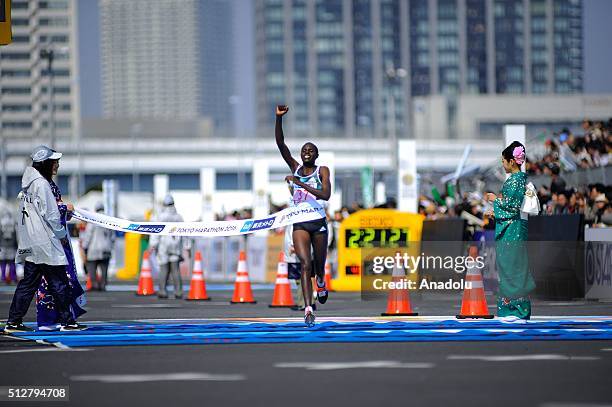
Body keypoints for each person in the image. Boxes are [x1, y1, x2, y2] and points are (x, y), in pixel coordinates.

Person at [3, 146, 86, 333]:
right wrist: (62, 235)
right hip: (46, 242)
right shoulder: (41, 184)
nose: (57, 164)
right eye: (54, 162)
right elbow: (51, 214)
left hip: (32, 241)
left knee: (28, 284)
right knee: (60, 282)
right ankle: (67, 321)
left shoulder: (28, 184)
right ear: (45, 164)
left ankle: (13, 321)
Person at [275, 104, 331, 327]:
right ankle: (308, 310)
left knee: (318, 265)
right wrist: (278, 119)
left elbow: (326, 194)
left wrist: (300, 184)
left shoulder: (321, 170)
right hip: (299, 224)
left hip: (318, 223)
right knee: (304, 265)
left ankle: (321, 281)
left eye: (311, 150)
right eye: (304, 150)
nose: (306, 152)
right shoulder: (295, 167)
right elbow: (281, 144)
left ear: (316, 155)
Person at [485, 141, 535, 320]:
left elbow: (511, 206)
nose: (503, 165)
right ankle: (513, 307)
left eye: (504, 161)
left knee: (513, 267)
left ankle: (516, 308)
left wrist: (494, 200)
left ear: (512, 162)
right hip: (512, 226)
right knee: (510, 266)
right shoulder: (517, 180)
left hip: (512, 229)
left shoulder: (515, 181)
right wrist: (496, 211)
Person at [149, 194, 186, 299]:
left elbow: (156, 232)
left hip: (164, 245)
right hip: (176, 245)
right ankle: (178, 291)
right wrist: (187, 247)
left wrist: (152, 245)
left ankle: (162, 291)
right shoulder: (178, 217)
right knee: (175, 269)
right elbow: (186, 231)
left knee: (163, 269)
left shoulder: (160, 217)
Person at [80, 202, 115, 291]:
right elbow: (112, 236)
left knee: (91, 267)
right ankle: (103, 285)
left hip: (93, 248)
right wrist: (110, 246)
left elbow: (88, 235)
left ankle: (95, 285)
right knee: (104, 268)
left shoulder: (93, 219)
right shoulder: (108, 220)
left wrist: (84, 246)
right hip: (106, 248)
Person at [0, 210, 18, 284]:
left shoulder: (1, 223)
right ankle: (13, 278)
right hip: (12, 245)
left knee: (3, 262)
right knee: (12, 262)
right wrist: (16, 245)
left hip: (2, 245)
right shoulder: (13, 223)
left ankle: (3, 278)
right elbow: (16, 236)